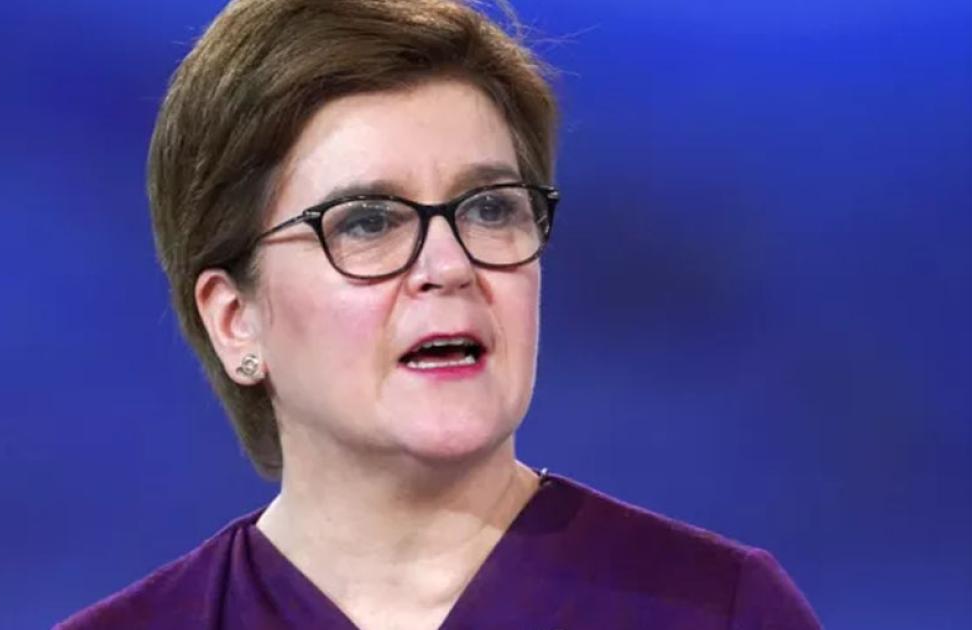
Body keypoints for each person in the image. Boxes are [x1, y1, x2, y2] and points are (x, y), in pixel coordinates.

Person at [58, 0, 822, 628]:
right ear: (236, 320)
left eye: (489, 209)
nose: (450, 265)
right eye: (368, 222)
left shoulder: (720, 611)